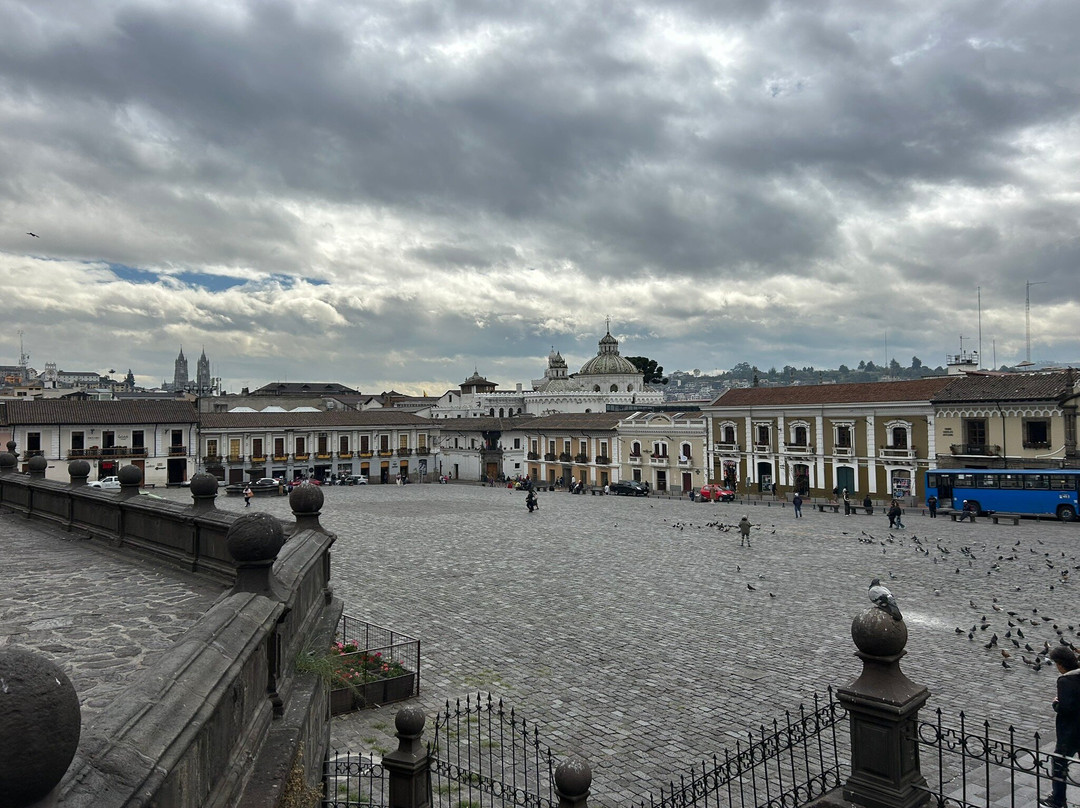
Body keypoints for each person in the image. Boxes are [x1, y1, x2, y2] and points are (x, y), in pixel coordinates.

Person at [1040, 646, 1080, 808]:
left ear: (1060, 664)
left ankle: (1058, 800)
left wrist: (1056, 703)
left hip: (1070, 732)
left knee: (1059, 763)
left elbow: (1066, 708)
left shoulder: (1065, 681)